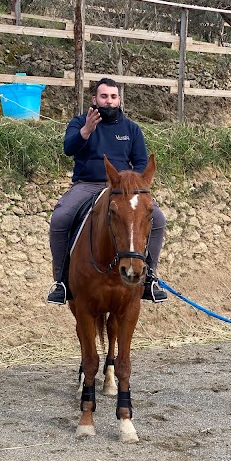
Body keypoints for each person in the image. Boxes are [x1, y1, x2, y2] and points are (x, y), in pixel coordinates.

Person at [47, 77, 167, 305]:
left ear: (119, 100)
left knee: (158, 219)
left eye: (113, 97)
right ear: (94, 99)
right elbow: (68, 148)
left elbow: (141, 162)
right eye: (104, 96)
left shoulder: (131, 129)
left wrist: (127, 182)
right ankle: (61, 282)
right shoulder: (80, 122)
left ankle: (149, 278)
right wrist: (86, 131)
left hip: (123, 190)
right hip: (88, 184)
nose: (109, 101)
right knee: (60, 218)